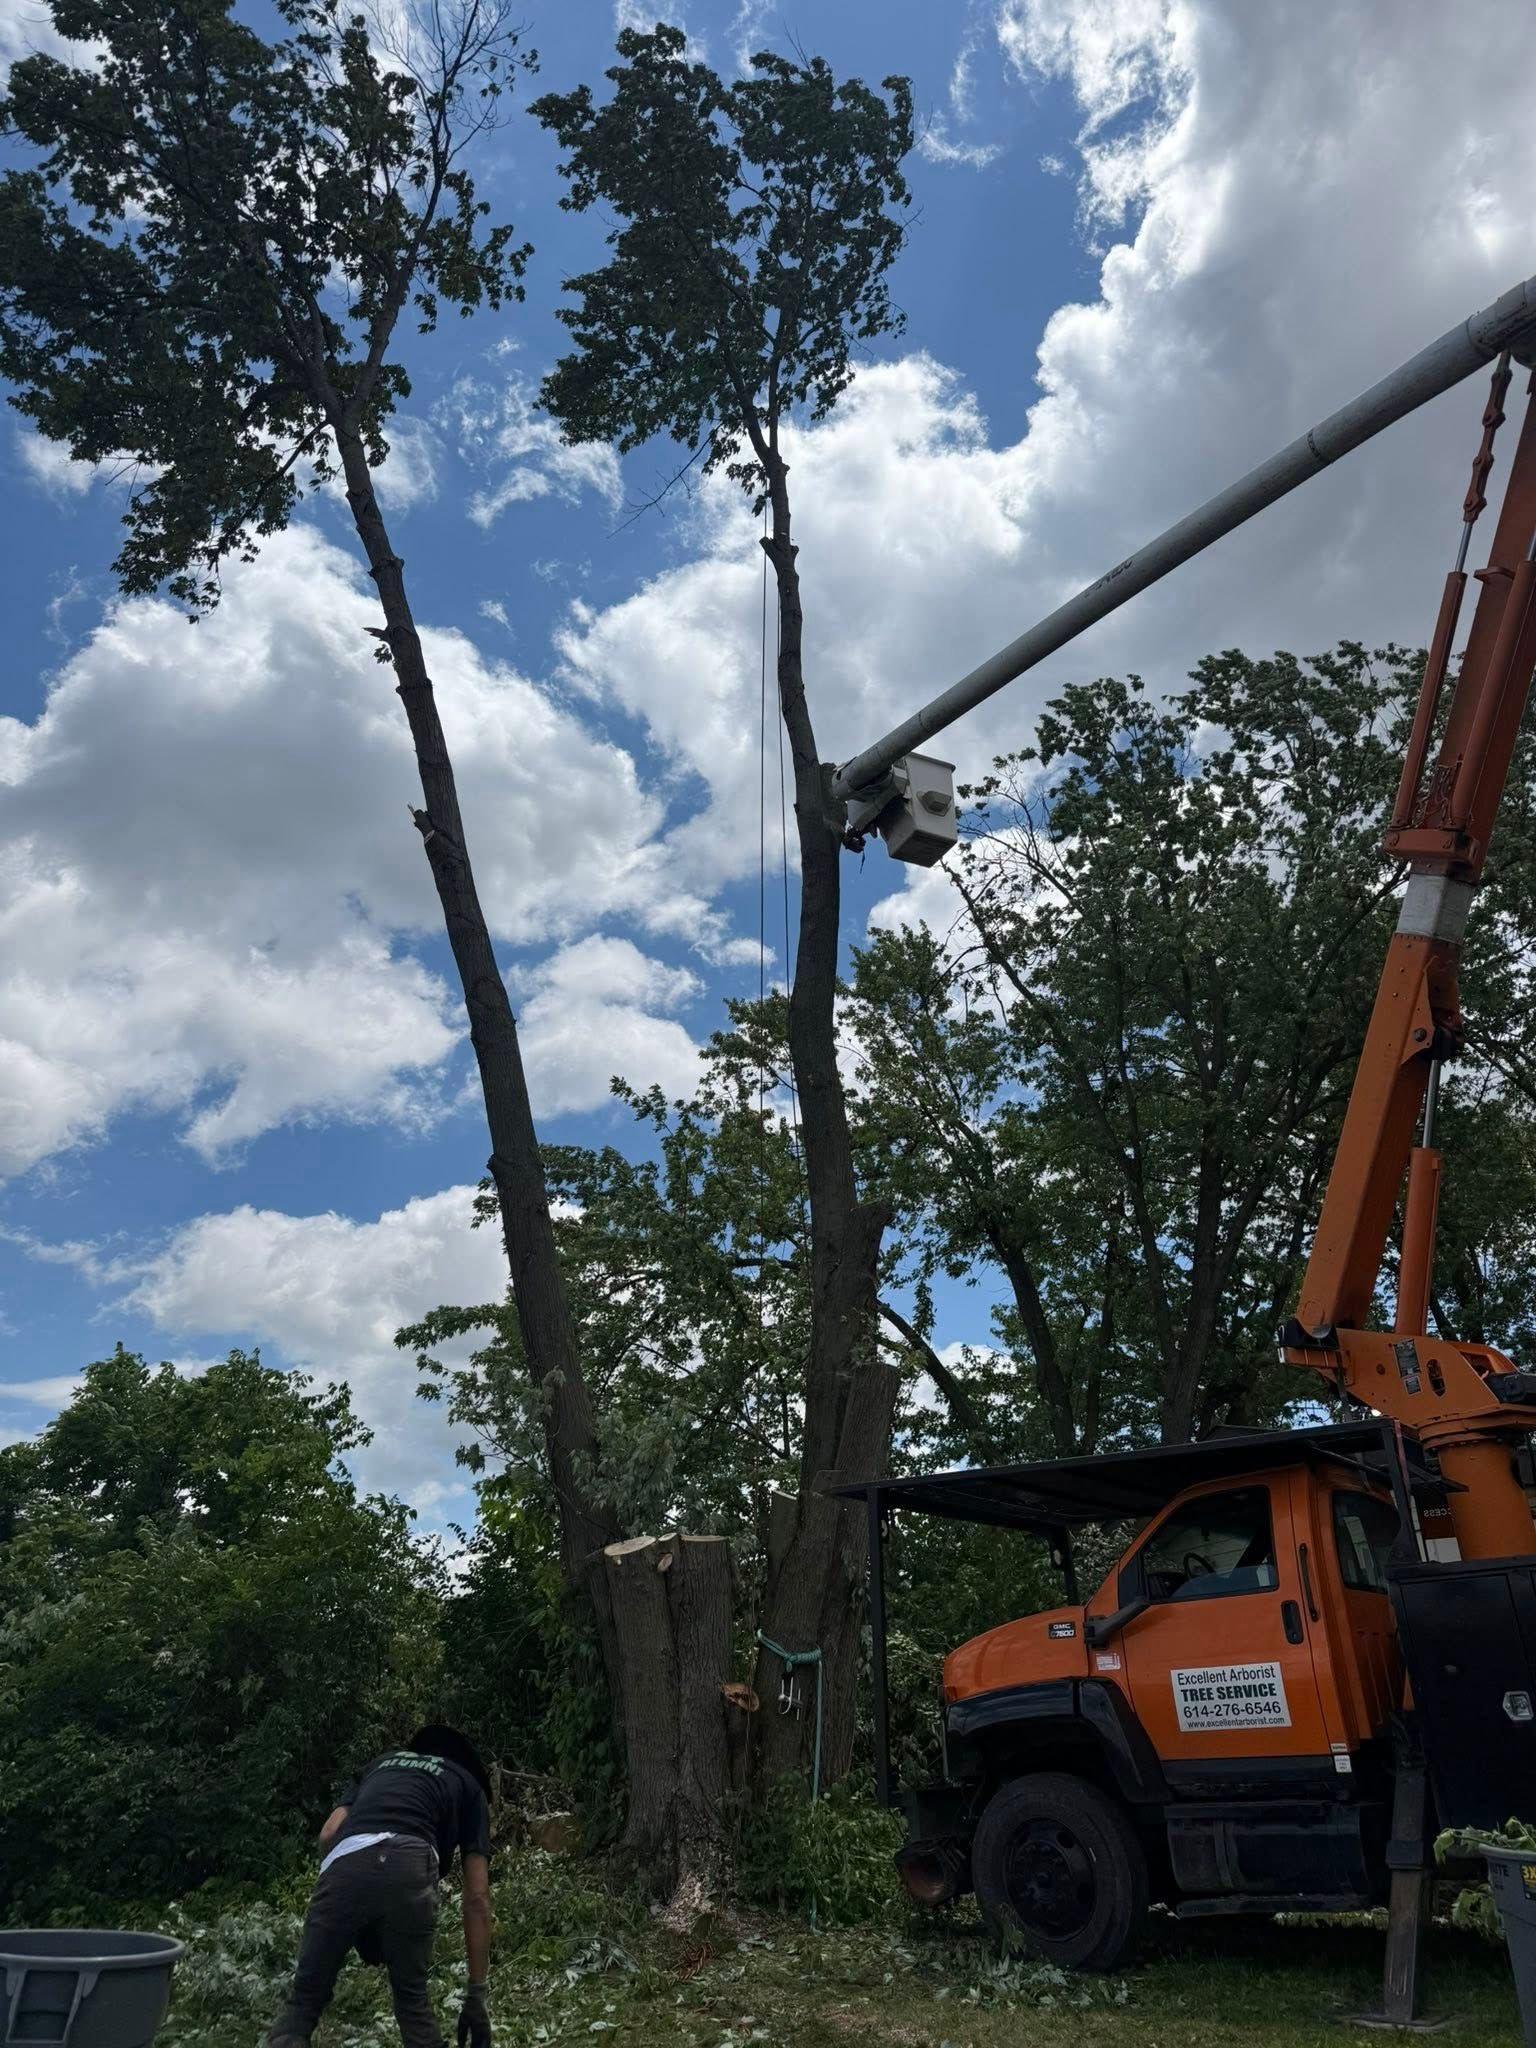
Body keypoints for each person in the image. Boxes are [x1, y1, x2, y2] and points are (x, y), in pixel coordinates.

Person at [267, 1724, 494, 2048]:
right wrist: (476, 1996)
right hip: (411, 1862)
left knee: (302, 2004)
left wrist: (348, 1898)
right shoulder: (468, 1785)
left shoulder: (381, 1764)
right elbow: (477, 1899)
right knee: (413, 2005)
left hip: (346, 1860)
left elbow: (329, 1833)